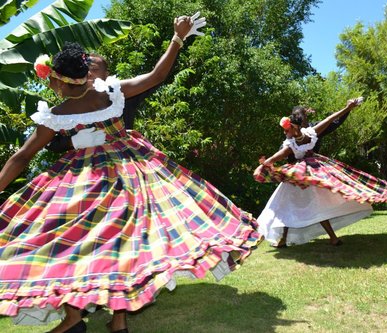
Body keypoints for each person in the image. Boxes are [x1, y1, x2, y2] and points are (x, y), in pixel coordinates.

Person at [0, 14, 261, 333]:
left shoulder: (77, 106)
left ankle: (98, 319)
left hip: (104, 179)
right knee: (108, 243)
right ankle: (89, 319)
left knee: (92, 243)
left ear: (67, 81)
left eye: (53, 82)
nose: (52, 88)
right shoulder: (85, 103)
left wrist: (179, 39)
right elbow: (156, 75)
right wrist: (176, 39)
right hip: (118, 174)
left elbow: (22, 156)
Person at [253, 99, 387, 248]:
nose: (284, 133)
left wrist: (348, 108)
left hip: (310, 173)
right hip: (300, 174)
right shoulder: (295, 140)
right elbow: (275, 157)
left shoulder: (305, 135)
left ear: (293, 127)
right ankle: (286, 239)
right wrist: (263, 166)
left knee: (294, 205)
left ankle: (324, 237)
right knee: (286, 205)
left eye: (286, 130)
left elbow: (331, 119)